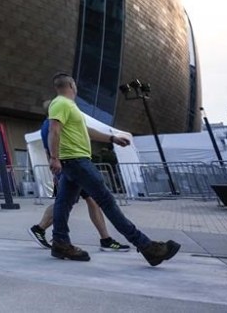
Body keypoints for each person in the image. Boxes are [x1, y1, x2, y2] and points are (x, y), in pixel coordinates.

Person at [48, 73, 180, 265]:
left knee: (63, 203)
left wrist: (112, 138)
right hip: (76, 161)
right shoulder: (61, 103)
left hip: (73, 162)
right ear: (72, 85)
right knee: (106, 201)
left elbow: (86, 131)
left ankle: (60, 243)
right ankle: (147, 247)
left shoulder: (68, 106)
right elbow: (54, 129)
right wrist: (54, 157)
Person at [28, 103, 129, 251]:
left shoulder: (48, 126)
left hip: (69, 167)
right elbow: (52, 148)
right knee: (68, 202)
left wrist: (55, 171)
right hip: (72, 167)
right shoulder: (53, 126)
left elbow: (47, 150)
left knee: (84, 201)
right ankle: (41, 229)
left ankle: (104, 239)